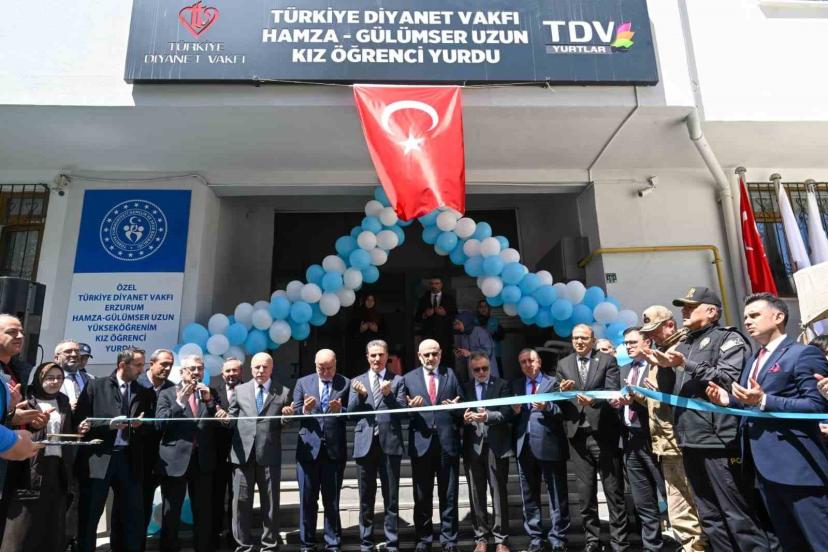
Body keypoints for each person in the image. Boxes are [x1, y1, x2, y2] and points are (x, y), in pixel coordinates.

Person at [647, 287, 768, 552]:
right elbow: (672, 393)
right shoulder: (685, 344)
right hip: (689, 439)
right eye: (683, 307)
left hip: (719, 440)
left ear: (712, 311)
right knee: (710, 517)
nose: (684, 311)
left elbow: (728, 378)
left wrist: (685, 364)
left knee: (737, 514)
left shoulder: (728, 339)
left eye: (691, 306)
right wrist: (664, 369)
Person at [706, 293, 828, 550]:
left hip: (798, 467)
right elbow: (751, 403)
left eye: (755, 315)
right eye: (746, 317)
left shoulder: (803, 354)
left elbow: (816, 405)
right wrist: (728, 400)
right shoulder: (754, 359)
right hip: (762, 468)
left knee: (819, 541)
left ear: (779, 316)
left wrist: (764, 400)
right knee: (788, 543)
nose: (747, 322)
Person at [74, 346, 154, 552]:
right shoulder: (96, 386)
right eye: (137, 365)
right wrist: (108, 425)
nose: (142, 369)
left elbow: (151, 426)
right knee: (90, 513)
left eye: (142, 364)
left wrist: (140, 425)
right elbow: (81, 422)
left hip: (129, 459)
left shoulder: (144, 392)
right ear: (122, 365)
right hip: (99, 459)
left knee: (131, 515)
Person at [639, 306, 706, 551]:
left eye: (654, 330)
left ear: (670, 325)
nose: (651, 336)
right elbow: (658, 398)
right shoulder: (659, 352)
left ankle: (701, 546)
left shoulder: (683, 349)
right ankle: (691, 547)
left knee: (696, 502)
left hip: (682, 441)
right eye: (648, 332)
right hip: (664, 443)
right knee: (678, 509)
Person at [556, 324, 628, 552]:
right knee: (585, 495)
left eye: (584, 338)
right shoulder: (564, 364)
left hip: (603, 434)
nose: (579, 342)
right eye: (575, 338)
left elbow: (613, 391)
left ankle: (619, 543)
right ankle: (592, 541)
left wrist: (594, 400)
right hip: (577, 437)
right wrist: (562, 392)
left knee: (613, 492)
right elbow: (561, 400)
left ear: (593, 340)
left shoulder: (607, 361)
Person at [0, 362, 74, 552]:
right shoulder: (26, 400)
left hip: (56, 467)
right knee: (23, 525)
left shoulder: (63, 401)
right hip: (29, 465)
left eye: (59, 378)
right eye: (50, 377)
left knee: (51, 523)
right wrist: (33, 426)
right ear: (40, 378)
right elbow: (12, 429)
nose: (55, 381)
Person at [156, 355, 222, 552]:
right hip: (175, 461)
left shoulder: (210, 393)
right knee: (171, 511)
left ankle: (203, 548)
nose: (195, 372)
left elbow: (219, 424)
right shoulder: (167, 393)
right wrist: (180, 402)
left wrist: (210, 402)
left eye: (199, 368)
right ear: (182, 372)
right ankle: (169, 548)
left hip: (202, 460)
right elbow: (160, 423)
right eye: (191, 369)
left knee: (203, 511)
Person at [229, 352, 294, 552]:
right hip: (243, 455)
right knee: (241, 503)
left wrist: (287, 417)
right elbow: (231, 419)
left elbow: (283, 423)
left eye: (265, 367)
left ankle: (269, 545)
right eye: (257, 367)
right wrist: (224, 418)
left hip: (269, 454)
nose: (260, 370)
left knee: (271, 504)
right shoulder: (239, 390)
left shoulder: (283, 392)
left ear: (271, 368)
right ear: (251, 368)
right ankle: (243, 546)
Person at [402, 339, 463, 552]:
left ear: (440, 354)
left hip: (447, 443)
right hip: (422, 444)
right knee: (422, 496)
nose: (431, 358)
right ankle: (423, 539)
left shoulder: (451, 374)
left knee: (449, 495)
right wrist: (410, 408)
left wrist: (456, 407)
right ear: (419, 356)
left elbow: (463, 406)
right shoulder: (408, 378)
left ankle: (449, 540)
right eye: (426, 354)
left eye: (434, 354)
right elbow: (402, 411)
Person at [112, 347, 174, 552]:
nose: (167, 368)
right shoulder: (137, 384)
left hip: (162, 456)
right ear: (152, 364)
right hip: (135, 456)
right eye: (163, 364)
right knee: (126, 505)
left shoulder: (172, 388)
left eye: (170, 365)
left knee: (145, 505)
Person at [347, 340, 406, 552]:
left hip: (389, 444)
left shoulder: (397, 380)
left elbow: (403, 412)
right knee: (365, 498)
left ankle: (392, 544)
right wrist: (361, 396)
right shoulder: (357, 381)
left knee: (391, 498)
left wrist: (388, 395)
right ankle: (366, 543)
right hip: (365, 445)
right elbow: (350, 413)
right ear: (367, 357)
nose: (377, 359)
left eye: (380, 355)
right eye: (373, 355)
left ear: (387, 356)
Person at [510, 349, 570, 552]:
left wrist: (548, 407)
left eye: (531, 360)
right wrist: (514, 412)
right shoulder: (516, 385)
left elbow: (566, 411)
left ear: (540, 361)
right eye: (523, 362)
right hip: (524, 445)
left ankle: (558, 537)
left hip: (550, 444)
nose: (528, 365)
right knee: (529, 495)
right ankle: (535, 537)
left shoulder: (555, 382)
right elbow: (510, 416)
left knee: (557, 494)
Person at [293, 349, 350, 552]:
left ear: (336, 364)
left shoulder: (345, 383)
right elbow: (294, 412)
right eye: (321, 368)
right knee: (307, 500)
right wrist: (305, 410)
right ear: (315, 365)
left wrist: (340, 411)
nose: (325, 372)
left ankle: (332, 543)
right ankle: (307, 544)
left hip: (334, 451)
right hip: (308, 451)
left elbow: (353, 413)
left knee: (331, 501)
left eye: (329, 368)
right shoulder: (303, 382)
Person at [615, 328, 664, 552]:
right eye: (626, 343)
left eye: (633, 342)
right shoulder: (624, 369)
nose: (629, 346)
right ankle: (652, 546)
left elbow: (662, 403)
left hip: (654, 438)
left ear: (648, 342)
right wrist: (616, 403)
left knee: (667, 493)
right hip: (630, 439)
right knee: (643, 500)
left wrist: (638, 398)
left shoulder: (657, 367)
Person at [462, 352, 512, 552]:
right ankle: (481, 537)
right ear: (471, 370)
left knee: (498, 492)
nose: (481, 372)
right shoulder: (465, 388)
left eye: (485, 368)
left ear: (490, 366)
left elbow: (507, 413)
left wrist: (488, 416)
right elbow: (459, 413)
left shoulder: (502, 385)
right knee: (476, 493)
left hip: (496, 445)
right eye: (477, 369)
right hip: (473, 446)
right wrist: (464, 418)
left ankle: (501, 539)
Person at [213, 357, 242, 549]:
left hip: (241, 452)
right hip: (217, 453)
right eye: (228, 371)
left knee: (237, 498)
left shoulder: (249, 390)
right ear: (222, 373)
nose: (231, 374)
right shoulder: (213, 392)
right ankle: (215, 537)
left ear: (241, 372)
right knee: (216, 497)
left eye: (234, 370)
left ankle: (235, 539)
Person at [415, 277, 458, 368]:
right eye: (432, 284)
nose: (434, 286)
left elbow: (455, 316)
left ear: (441, 285)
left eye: (436, 283)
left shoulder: (449, 298)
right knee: (430, 363)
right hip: (428, 337)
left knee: (446, 363)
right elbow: (416, 318)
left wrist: (445, 314)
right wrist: (425, 315)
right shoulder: (423, 299)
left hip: (445, 337)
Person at [454, 311, 499, 382]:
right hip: (474, 374)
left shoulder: (480, 332)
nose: (457, 327)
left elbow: (488, 352)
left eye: (459, 323)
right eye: (456, 324)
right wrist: (461, 355)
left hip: (487, 372)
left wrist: (470, 353)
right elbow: (467, 355)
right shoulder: (464, 335)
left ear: (466, 322)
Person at [348, 293, 387, 377]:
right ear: (364, 301)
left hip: (375, 349)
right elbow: (349, 333)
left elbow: (386, 334)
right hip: (360, 350)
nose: (370, 302)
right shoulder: (356, 315)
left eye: (372, 300)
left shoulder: (379, 316)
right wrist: (360, 330)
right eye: (367, 300)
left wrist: (376, 330)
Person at [56, 340, 92, 411]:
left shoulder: (91, 379)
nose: (74, 355)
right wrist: (66, 407)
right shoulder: (50, 379)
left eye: (77, 352)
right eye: (68, 351)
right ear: (57, 358)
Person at [474, 300, 505, 369]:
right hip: (480, 355)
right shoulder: (475, 321)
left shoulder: (495, 320)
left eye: (485, 306)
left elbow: (501, 336)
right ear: (478, 309)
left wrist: (494, 335)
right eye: (481, 307)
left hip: (495, 354)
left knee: (497, 373)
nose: (483, 308)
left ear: (489, 308)